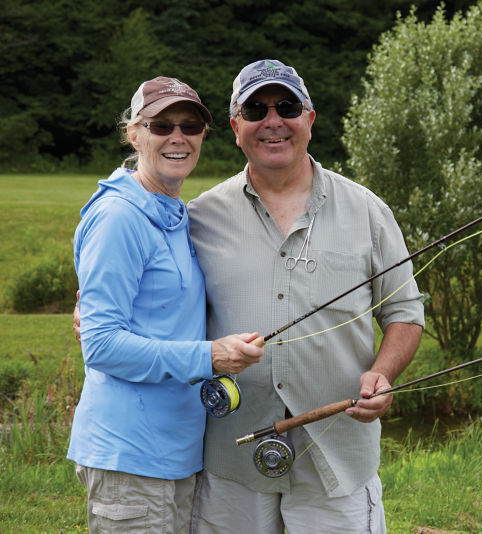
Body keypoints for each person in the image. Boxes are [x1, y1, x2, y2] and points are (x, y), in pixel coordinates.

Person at [186, 59, 424, 534]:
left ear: (309, 120)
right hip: (231, 459)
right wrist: (89, 304)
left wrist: (382, 373)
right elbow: (153, 293)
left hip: (339, 457)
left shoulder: (368, 210)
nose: (272, 121)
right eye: (255, 109)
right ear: (236, 128)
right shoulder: (198, 216)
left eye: (286, 106)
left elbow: (405, 311)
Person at [69, 76, 264, 533]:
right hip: (131, 455)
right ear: (134, 134)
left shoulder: (174, 212)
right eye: (161, 125)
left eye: (191, 124)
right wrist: (210, 355)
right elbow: (100, 345)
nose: (178, 137)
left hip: (175, 453)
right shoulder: (119, 216)